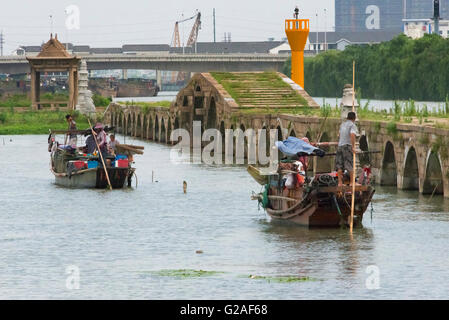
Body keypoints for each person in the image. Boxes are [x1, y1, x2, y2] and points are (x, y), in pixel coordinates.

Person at [336, 111, 358, 186]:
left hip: (340, 145)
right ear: (354, 118)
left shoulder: (342, 124)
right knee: (349, 164)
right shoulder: (352, 125)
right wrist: (353, 147)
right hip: (347, 146)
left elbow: (338, 135)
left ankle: (340, 182)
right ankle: (352, 182)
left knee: (339, 165)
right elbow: (352, 135)